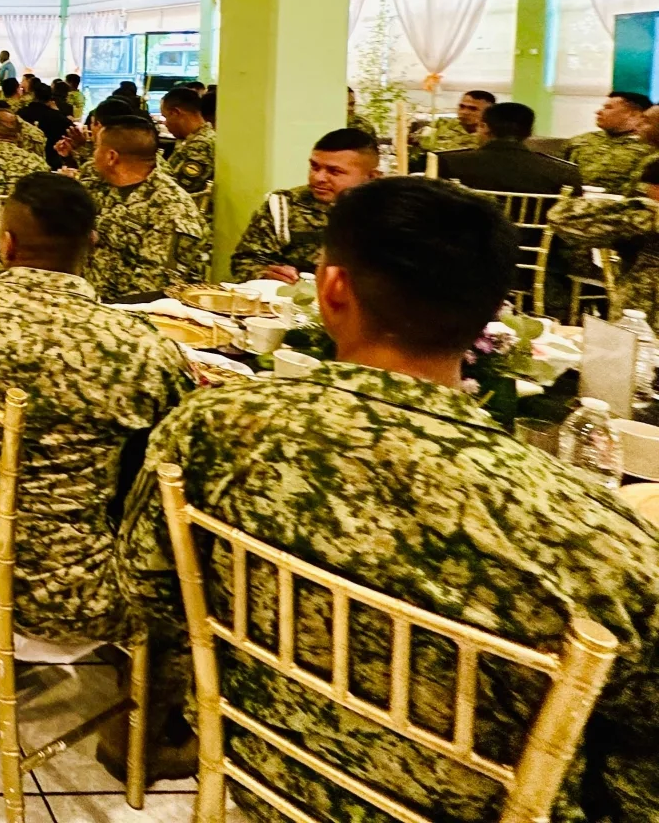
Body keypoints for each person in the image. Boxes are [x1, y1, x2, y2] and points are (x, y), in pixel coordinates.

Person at [118, 176, 659, 823]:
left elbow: (149, 588)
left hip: (264, 772)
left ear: (332, 289)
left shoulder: (211, 428)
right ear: (493, 315)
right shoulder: (592, 538)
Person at [0, 172, 191, 650]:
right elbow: (180, 458)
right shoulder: (139, 347)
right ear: (91, 244)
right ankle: (160, 692)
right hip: (67, 592)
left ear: (7, 244)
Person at [76, 114, 206, 303]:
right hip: (87, 299)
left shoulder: (171, 208)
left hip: (132, 311)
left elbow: (153, 290)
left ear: (111, 157)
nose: (92, 155)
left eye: (96, 148)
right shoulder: (101, 188)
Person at [230, 127, 380, 283]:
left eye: (334, 171)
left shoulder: (387, 213)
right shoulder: (284, 207)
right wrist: (264, 273)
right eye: (315, 167)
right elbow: (245, 261)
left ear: (371, 176)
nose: (318, 178)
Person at [550, 155, 659, 326]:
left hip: (639, 326)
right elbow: (562, 218)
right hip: (637, 323)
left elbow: (560, 218)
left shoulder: (643, 221)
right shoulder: (643, 221)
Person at [435, 100, 582, 194]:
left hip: (469, 234)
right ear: (530, 132)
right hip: (533, 235)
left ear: (484, 127)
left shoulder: (448, 162)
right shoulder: (564, 172)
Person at [565, 90, 656, 194]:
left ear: (633, 114)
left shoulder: (650, 147)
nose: (598, 112)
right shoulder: (580, 140)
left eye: (608, 108)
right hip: (570, 198)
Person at [157, 86, 214, 200]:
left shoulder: (201, 145)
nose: (166, 124)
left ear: (175, 113)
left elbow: (179, 188)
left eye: (166, 117)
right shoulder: (191, 140)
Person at [420, 89, 493, 155]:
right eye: (462, 106)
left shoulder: (492, 134)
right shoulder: (440, 124)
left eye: (473, 109)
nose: (464, 112)